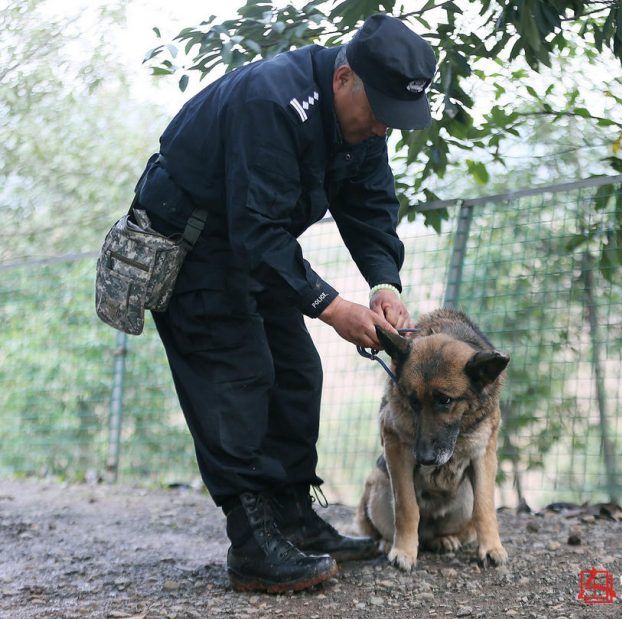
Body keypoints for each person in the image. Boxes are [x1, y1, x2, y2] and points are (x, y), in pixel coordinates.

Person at [133, 14, 436, 593]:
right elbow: (257, 231)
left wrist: (384, 284)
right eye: (379, 116)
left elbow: (370, 203)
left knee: (297, 372)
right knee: (237, 378)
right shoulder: (272, 101)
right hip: (194, 244)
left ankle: (294, 517)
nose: (382, 131)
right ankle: (252, 543)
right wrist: (331, 305)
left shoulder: (363, 123)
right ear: (345, 79)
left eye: (394, 123)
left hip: (255, 247)